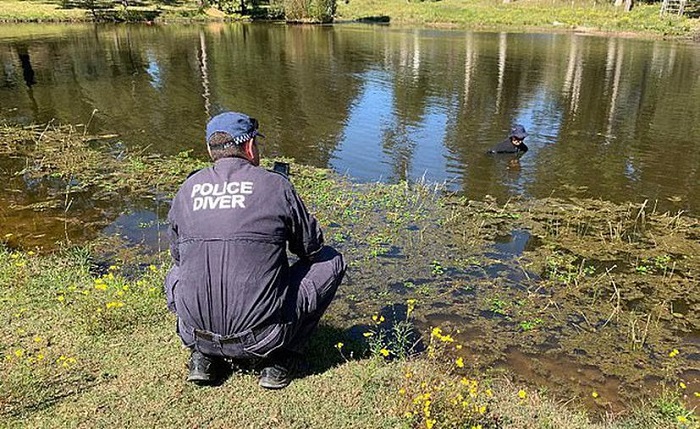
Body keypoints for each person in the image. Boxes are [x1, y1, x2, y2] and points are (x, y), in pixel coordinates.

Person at [164, 111, 347, 389]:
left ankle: (203, 356)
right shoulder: (275, 185)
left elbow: (178, 257)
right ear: (249, 146)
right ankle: (280, 359)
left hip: (195, 334)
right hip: (262, 337)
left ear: (210, 149)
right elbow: (312, 248)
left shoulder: (187, 189)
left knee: (178, 268)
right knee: (331, 261)